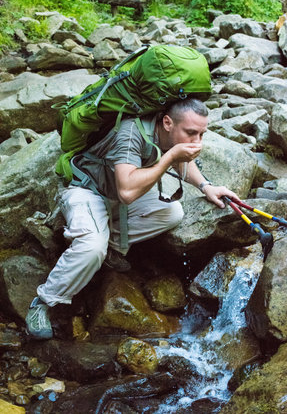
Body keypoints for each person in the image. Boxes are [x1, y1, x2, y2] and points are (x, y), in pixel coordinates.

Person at [25, 97, 240, 339]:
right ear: (167, 122)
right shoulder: (130, 132)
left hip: (115, 193)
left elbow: (182, 160)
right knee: (91, 247)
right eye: (191, 133)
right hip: (86, 189)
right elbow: (127, 192)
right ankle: (42, 303)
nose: (196, 142)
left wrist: (206, 186)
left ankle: (111, 250)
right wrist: (170, 158)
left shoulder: (168, 134)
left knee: (172, 212)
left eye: (201, 134)